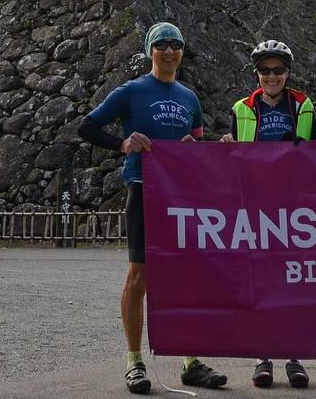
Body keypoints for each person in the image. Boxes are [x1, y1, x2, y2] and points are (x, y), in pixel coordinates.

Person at [78, 22, 228, 395]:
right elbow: (87, 127)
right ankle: (134, 361)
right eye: (160, 44)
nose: (168, 51)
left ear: (181, 52)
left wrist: (198, 149)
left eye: (175, 45)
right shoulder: (131, 91)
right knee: (139, 275)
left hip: (181, 197)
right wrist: (122, 143)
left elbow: (196, 142)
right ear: (150, 51)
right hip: (143, 189)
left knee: (186, 277)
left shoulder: (189, 98)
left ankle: (190, 361)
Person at [220, 39, 316, 389]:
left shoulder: (303, 104)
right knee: (259, 280)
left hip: (292, 206)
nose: (272, 76)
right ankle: (263, 355)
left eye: (278, 70)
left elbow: (308, 152)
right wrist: (228, 146)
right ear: (257, 74)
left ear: (288, 73)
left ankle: (295, 355)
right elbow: (237, 154)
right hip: (255, 204)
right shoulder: (241, 107)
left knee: (292, 281)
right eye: (265, 70)